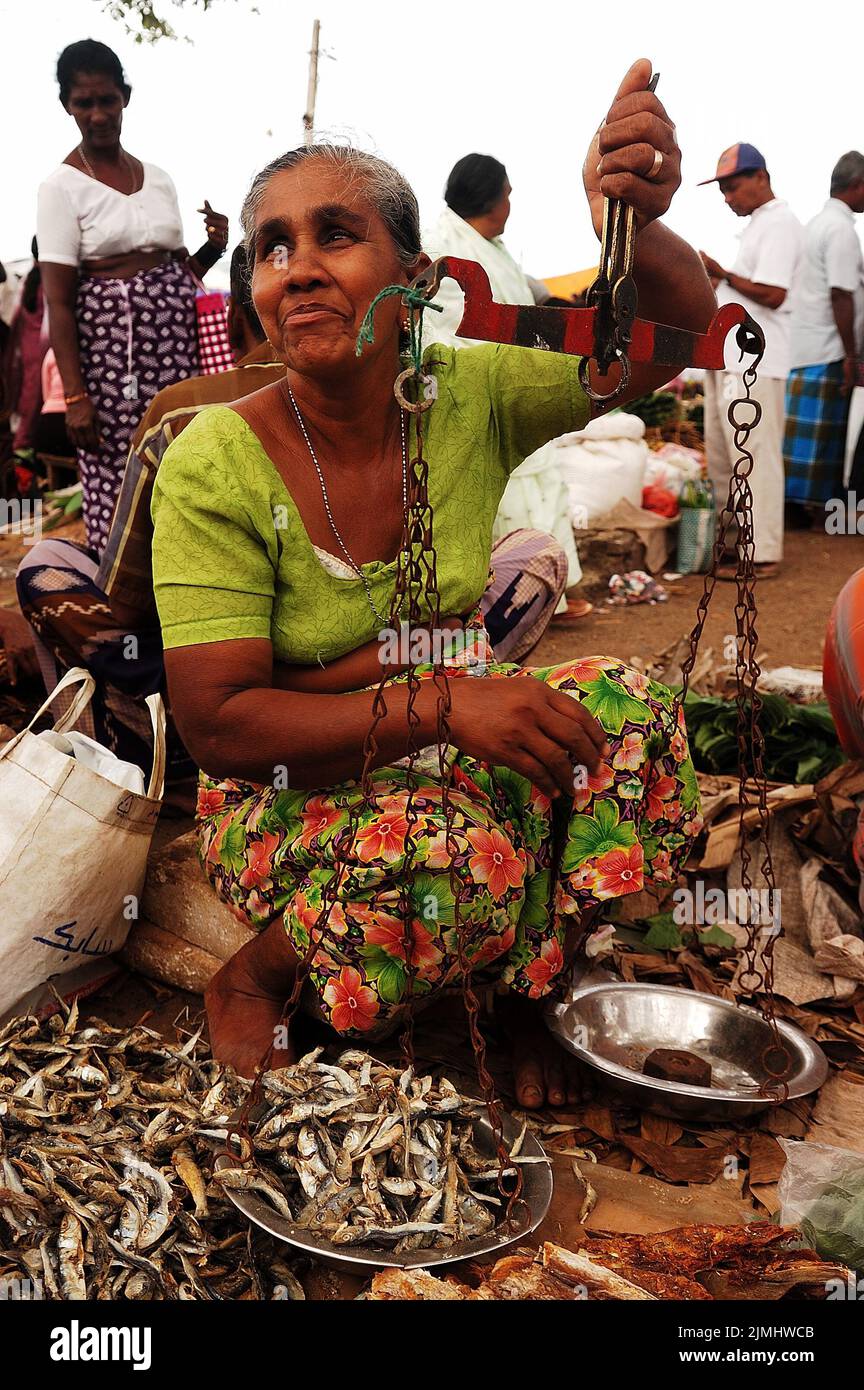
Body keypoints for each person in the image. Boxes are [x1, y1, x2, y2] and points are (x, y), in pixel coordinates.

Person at [149, 59, 713, 1107]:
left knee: (631, 718)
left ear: (416, 276)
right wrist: (445, 700)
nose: (298, 267)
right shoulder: (217, 459)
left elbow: (665, 341)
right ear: (257, 295)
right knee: (452, 852)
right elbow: (220, 726)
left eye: (335, 233)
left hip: (430, 718)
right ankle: (260, 972)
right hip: (289, 787)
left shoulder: (471, 393)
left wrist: (630, 219)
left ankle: (521, 992)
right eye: (272, 248)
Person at [15, 246, 562, 784]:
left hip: (245, 694)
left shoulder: (182, 411)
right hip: (417, 658)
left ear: (234, 313)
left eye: (334, 241)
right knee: (532, 555)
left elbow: (129, 603)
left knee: (50, 562)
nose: (304, 273)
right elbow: (631, 354)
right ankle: (419, 671)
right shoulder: (440, 391)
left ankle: (147, 736)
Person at [36, 39, 229, 554]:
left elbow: (176, 273)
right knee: (121, 474)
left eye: (107, 100)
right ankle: (123, 607)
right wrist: (76, 397)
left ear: (126, 97)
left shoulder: (159, 179)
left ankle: (188, 583)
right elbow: (58, 300)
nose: (97, 115)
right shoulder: (61, 187)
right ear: (68, 107)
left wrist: (213, 249)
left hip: (177, 351)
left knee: (184, 457)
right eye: (83, 103)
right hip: (110, 364)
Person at [422, 153, 582, 616]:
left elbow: (520, 293)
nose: (511, 204)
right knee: (497, 491)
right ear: (489, 199)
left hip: (514, 379)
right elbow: (444, 325)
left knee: (540, 480)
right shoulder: (439, 244)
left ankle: (551, 591)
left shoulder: (492, 245)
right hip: (470, 386)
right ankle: (503, 597)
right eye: (508, 194)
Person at [699, 143, 803, 577]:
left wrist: (722, 274)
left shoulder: (779, 222)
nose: (727, 197)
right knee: (726, 458)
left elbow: (774, 295)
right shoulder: (760, 224)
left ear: (761, 177)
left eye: (732, 186)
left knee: (753, 459)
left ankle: (761, 552)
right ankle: (736, 545)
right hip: (737, 360)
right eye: (722, 190)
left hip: (758, 361)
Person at [784, 151, 864, 513]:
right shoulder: (841, 229)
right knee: (823, 435)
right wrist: (851, 354)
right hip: (828, 347)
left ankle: (798, 509)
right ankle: (818, 514)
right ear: (858, 185)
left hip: (804, 344)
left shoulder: (815, 224)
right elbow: (841, 293)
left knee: (801, 437)